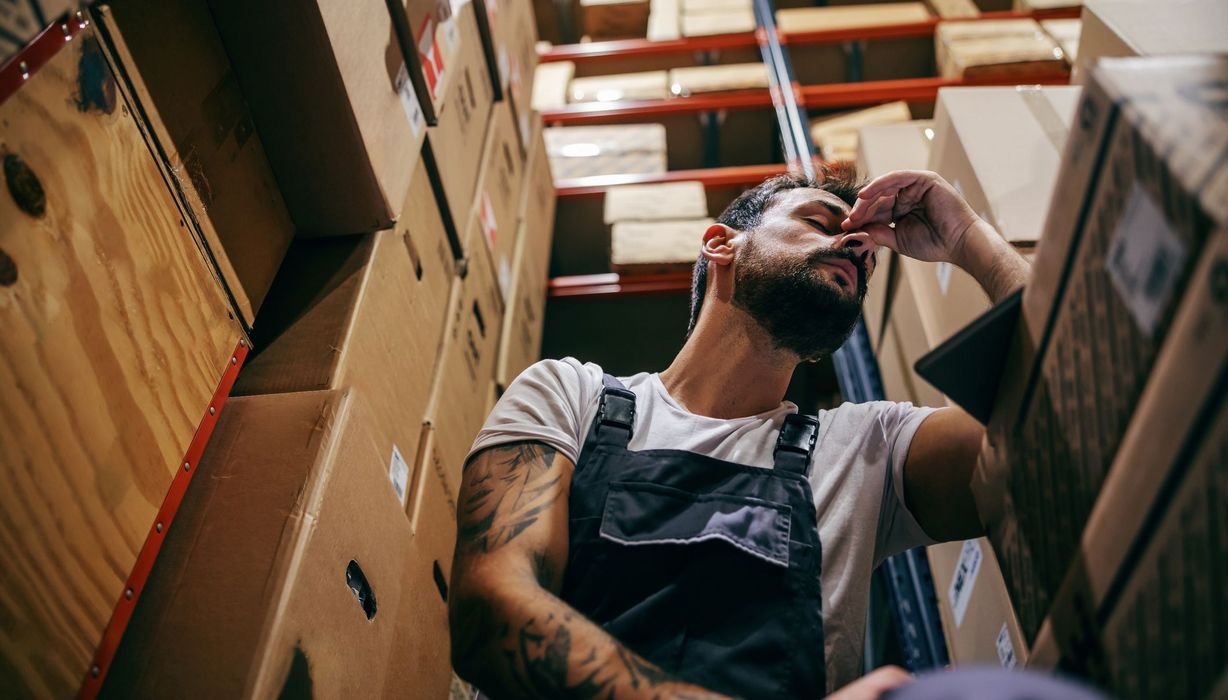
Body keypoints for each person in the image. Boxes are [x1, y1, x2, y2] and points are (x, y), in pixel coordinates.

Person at [448, 166, 1030, 699]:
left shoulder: (866, 448)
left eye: (870, 256)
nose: (857, 245)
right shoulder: (571, 397)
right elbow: (490, 612)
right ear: (721, 244)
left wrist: (966, 234)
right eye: (818, 222)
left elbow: (1046, 433)